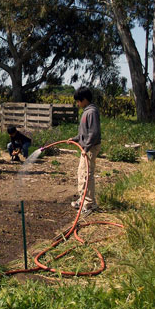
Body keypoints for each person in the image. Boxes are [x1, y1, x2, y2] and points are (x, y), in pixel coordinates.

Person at [68, 86, 101, 214]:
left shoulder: (91, 112)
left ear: (85, 99)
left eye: (79, 101)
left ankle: (89, 204)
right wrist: (75, 139)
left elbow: (94, 133)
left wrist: (86, 148)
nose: (78, 103)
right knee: (82, 174)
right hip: (87, 147)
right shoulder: (87, 111)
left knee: (87, 175)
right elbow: (85, 133)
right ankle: (83, 200)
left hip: (90, 148)